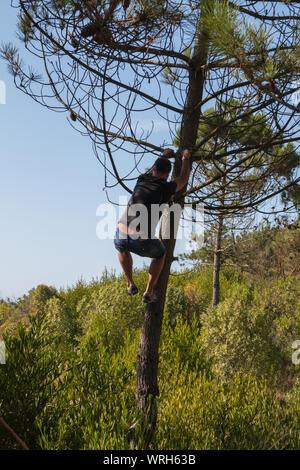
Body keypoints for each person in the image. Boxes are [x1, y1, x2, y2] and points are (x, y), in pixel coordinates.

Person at [114, 148, 192, 303]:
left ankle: (129, 283)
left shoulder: (142, 179)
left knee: (121, 247)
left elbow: (153, 168)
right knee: (160, 254)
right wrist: (185, 158)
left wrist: (163, 155)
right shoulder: (165, 188)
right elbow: (183, 178)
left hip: (121, 232)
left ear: (153, 170)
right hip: (141, 238)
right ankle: (148, 292)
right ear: (167, 175)